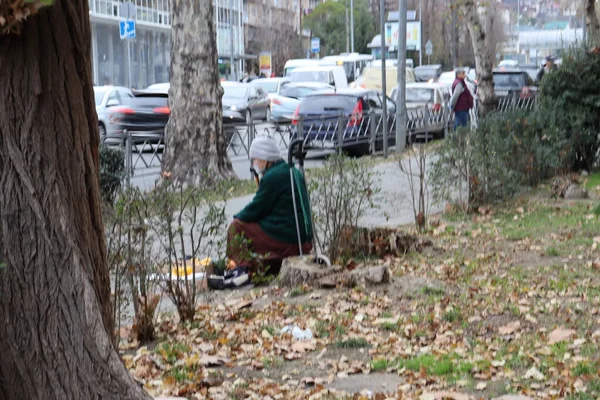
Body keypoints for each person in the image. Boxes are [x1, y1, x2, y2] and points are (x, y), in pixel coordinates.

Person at [227, 136, 313, 275]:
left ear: (265, 159)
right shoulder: (292, 171)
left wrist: (237, 216)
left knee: (236, 226)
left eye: (256, 159)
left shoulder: (273, 176)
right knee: (254, 226)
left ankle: (244, 269)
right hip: (303, 239)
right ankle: (264, 266)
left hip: (288, 240)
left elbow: (256, 210)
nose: (255, 162)